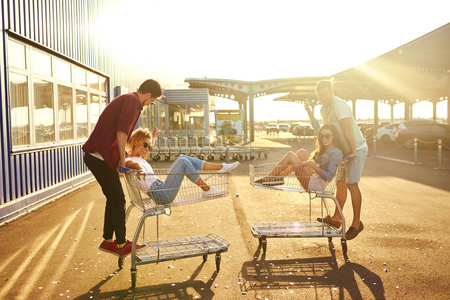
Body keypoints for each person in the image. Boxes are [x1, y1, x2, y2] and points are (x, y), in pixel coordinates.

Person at [83, 79, 163, 258]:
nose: (151, 104)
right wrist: (122, 160)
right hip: (99, 157)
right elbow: (122, 132)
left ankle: (108, 240)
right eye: (153, 100)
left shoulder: (128, 100)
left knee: (113, 198)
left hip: (99, 157)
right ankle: (120, 243)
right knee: (118, 199)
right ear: (148, 95)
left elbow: (121, 132)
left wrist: (122, 159)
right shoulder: (132, 102)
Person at [309, 79, 368, 240]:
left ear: (332, 92)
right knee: (340, 183)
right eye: (320, 96)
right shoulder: (324, 109)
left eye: (326, 94)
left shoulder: (339, 105)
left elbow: (348, 130)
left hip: (356, 149)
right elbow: (329, 131)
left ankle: (357, 223)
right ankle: (336, 218)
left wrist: (353, 151)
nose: (323, 98)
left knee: (351, 184)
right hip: (344, 152)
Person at [125, 128, 239, 204]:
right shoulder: (129, 161)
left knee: (181, 158)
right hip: (161, 194)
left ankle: (221, 167)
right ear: (136, 141)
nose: (146, 149)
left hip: (161, 189)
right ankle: (207, 188)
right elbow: (132, 165)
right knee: (183, 161)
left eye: (148, 147)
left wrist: (153, 137)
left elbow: (147, 151)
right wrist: (139, 169)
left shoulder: (140, 158)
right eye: (145, 145)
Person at [255, 124, 344, 193]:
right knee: (301, 153)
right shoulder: (326, 149)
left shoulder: (335, 153)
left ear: (334, 137)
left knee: (290, 155)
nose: (324, 138)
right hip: (315, 178)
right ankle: (279, 177)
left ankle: (267, 178)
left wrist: (313, 165)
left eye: (327, 136)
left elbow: (328, 177)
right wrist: (311, 164)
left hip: (315, 185)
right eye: (322, 136)